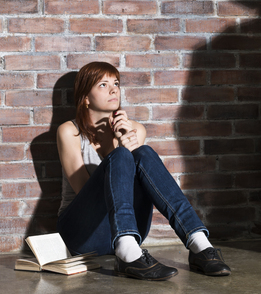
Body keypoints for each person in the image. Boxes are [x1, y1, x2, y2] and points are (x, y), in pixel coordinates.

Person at [56, 61, 231, 281]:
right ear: (85, 97)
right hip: (81, 233)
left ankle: (199, 244)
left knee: (143, 153)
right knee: (122, 155)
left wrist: (124, 142)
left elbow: (138, 186)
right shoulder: (69, 131)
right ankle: (128, 254)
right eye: (103, 84)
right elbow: (83, 191)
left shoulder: (135, 129)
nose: (113, 90)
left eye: (116, 83)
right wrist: (118, 151)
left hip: (127, 233)